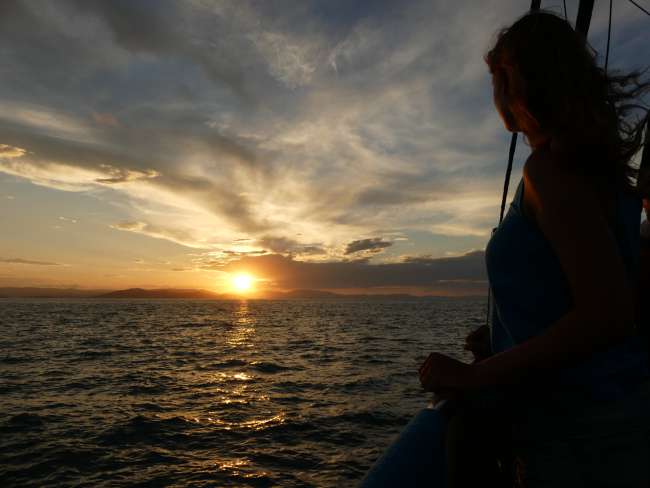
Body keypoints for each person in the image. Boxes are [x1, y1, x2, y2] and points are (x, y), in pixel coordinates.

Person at [419, 10, 650, 488]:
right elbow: (583, 285)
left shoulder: (548, 173)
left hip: (582, 440)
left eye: (495, 76)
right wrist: (506, 337)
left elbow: (607, 313)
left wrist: (476, 377)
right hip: (603, 426)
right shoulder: (592, 170)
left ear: (513, 80)